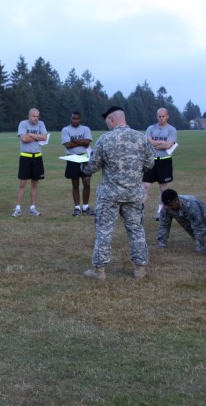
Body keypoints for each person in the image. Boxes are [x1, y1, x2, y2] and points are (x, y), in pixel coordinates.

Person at [81, 106, 155, 280]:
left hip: (110, 194)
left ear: (112, 119)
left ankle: (99, 271)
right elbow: (150, 164)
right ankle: (140, 269)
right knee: (136, 230)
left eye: (107, 120)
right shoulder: (141, 138)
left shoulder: (105, 139)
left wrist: (81, 165)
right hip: (134, 193)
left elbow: (92, 166)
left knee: (104, 231)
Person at [157, 189, 206, 255]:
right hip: (195, 220)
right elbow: (164, 225)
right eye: (167, 205)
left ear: (176, 200)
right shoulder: (166, 207)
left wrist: (199, 250)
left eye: (170, 205)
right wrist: (162, 244)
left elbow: (198, 228)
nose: (169, 208)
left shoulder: (190, 205)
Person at [142, 107, 177, 220]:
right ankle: (139, 212)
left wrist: (154, 143)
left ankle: (160, 212)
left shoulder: (171, 130)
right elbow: (147, 143)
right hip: (151, 160)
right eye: (159, 116)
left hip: (165, 161)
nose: (161, 118)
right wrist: (162, 142)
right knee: (145, 186)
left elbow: (169, 145)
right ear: (156, 116)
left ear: (167, 116)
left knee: (163, 188)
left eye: (163, 116)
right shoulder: (150, 128)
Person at [12, 108, 48, 217]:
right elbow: (24, 139)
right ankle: (18, 208)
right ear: (29, 115)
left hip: (37, 157)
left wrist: (31, 134)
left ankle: (32, 208)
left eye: (37, 116)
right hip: (25, 157)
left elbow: (45, 137)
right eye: (33, 116)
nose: (35, 118)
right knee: (22, 183)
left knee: (35, 183)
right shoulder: (23, 124)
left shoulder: (41, 124)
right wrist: (37, 137)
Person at [61, 110, 93, 216]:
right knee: (75, 184)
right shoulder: (66, 130)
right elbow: (67, 145)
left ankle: (85, 207)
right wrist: (81, 142)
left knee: (87, 183)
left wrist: (73, 140)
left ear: (80, 119)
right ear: (71, 119)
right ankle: (77, 208)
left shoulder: (85, 129)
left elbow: (87, 143)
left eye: (77, 118)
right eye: (73, 118)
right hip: (72, 159)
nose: (75, 120)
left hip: (84, 159)